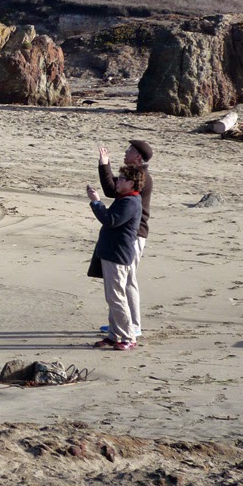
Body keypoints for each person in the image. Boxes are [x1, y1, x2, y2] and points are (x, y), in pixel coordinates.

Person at [98, 140, 153, 338]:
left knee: (128, 279)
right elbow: (112, 188)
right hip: (128, 234)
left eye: (129, 150)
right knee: (120, 281)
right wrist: (104, 165)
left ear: (137, 156)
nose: (125, 152)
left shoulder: (141, 177)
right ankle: (120, 324)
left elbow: (112, 190)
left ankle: (133, 325)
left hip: (134, 235)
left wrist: (105, 164)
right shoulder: (132, 174)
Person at [87, 165, 146, 350]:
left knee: (117, 298)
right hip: (112, 254)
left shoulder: (130, 202)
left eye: (121, 179)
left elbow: (110, 220)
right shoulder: (125, 199)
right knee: (112, 298)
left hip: (118, 256)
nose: (117, 182)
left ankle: (128, 337)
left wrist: (96, 202)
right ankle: (114, 335)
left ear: (131, 183)